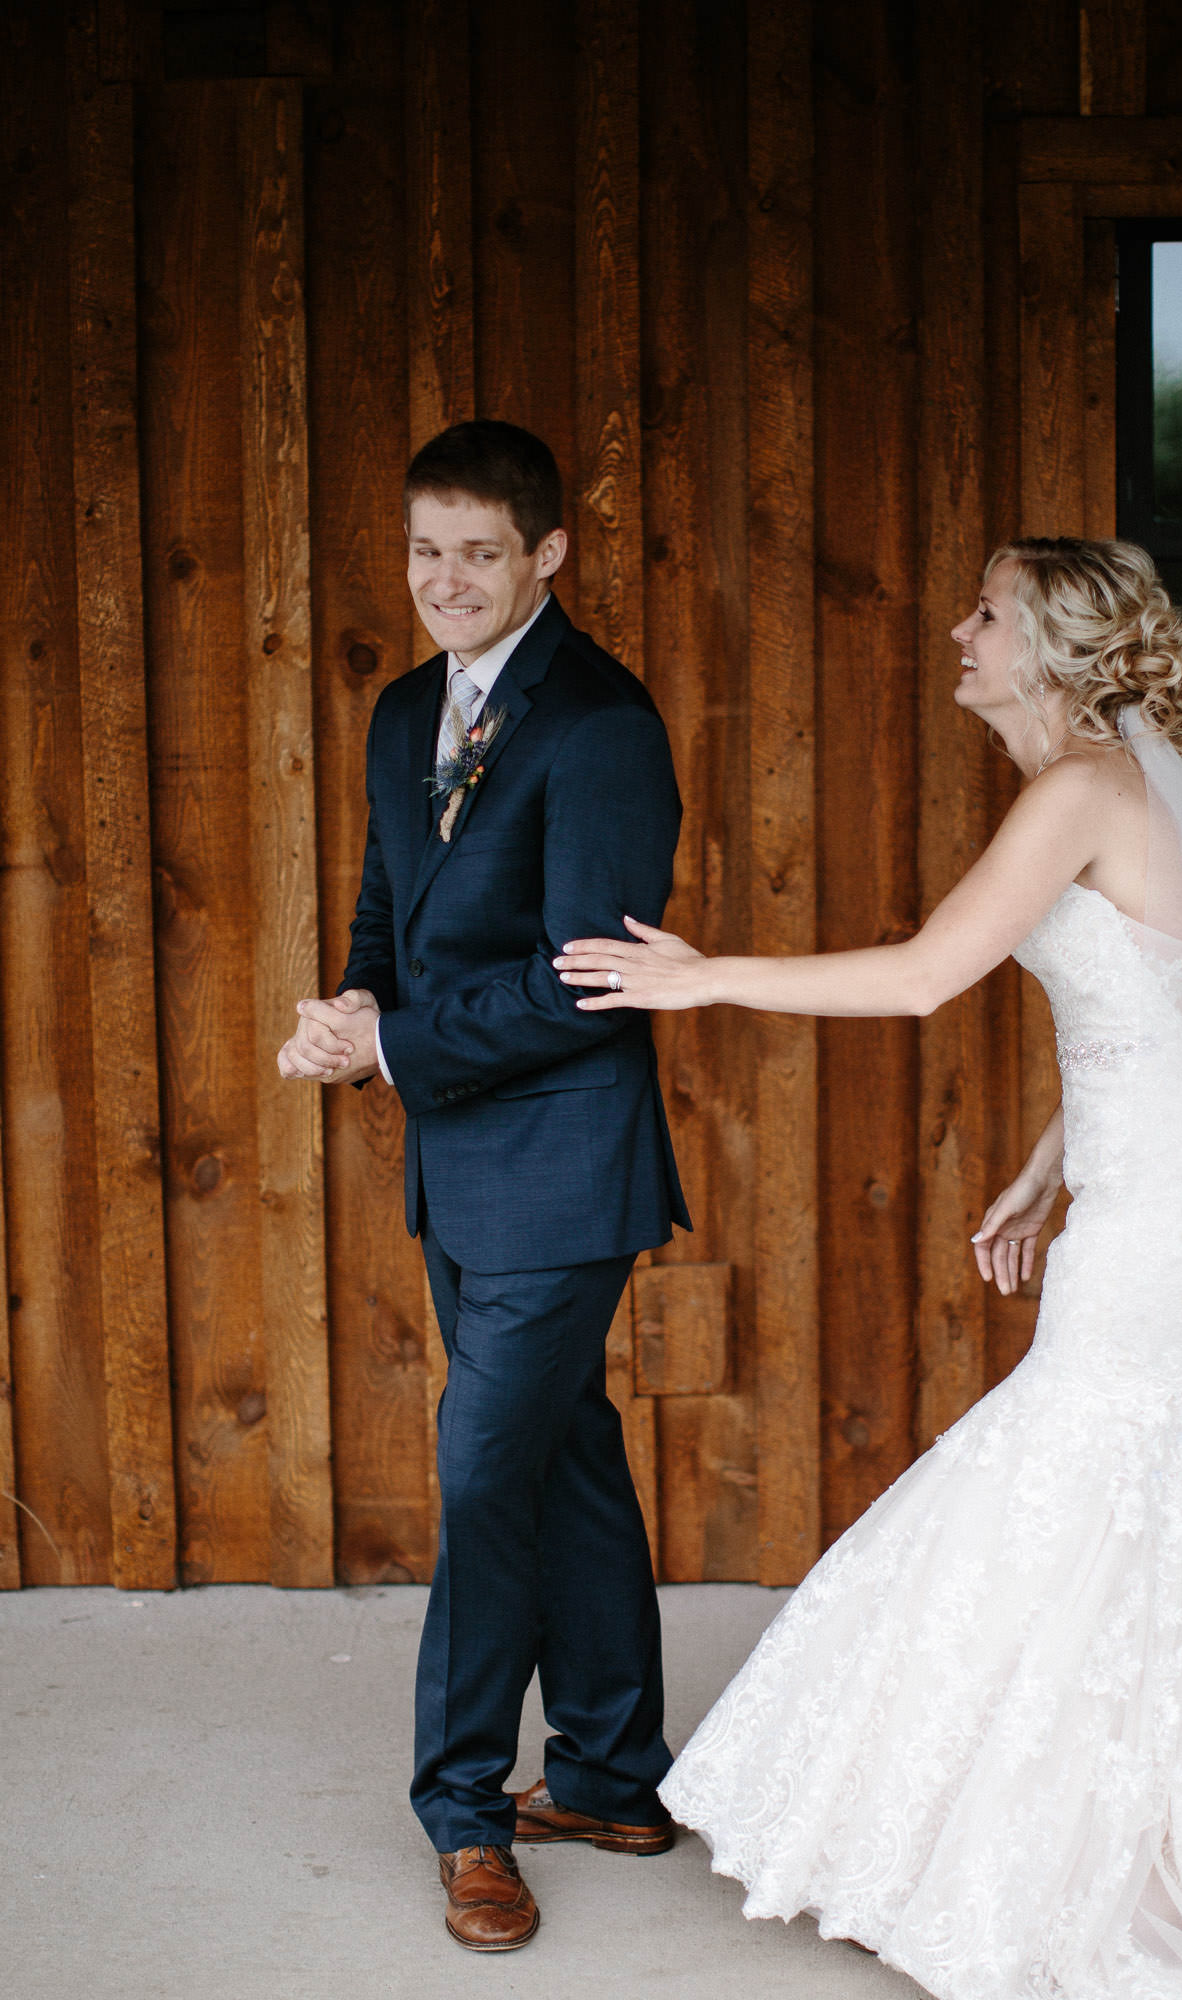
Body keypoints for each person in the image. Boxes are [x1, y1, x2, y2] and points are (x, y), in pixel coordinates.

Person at [553, 539, 1182, 1999]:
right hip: (1173, 1186)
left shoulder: (1084, 793)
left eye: (988, 613)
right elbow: (1173, 1009)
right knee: (1157, 1485)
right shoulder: (1128, 789)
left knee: (1079, 1463)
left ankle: (1066, 1845)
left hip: (1176, 1219)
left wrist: (703, 975)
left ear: (1051, 649)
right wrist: (1050, 1166)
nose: (961, 632)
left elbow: (926, 976)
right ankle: (1166, 1815)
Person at [277, 420, 691, 1953]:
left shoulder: (602, 724)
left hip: (566, 1169)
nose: (444, 580)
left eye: (477, 553)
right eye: (422, 548)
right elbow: (396, 895)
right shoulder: (402, 713)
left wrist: (393, 1045)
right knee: (563, 1450)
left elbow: (591, 984)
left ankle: (462, 1809)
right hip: (456, 1159)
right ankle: (609, 1775)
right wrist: (349, 1008)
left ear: (548, 557)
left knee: (482, 1471)